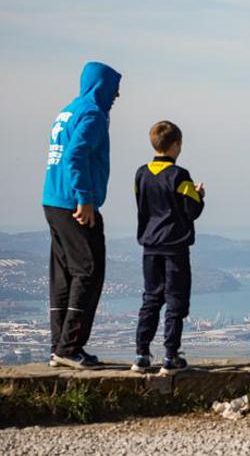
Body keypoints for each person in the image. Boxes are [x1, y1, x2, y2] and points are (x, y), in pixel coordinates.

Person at [43, 61, 121, 369]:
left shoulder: (68, 111)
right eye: (114, 88)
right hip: (74, 203)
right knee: (89, 270)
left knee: (63, 274)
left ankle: (59, 346)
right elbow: (75, 155)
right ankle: (70, 347)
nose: (117, 95)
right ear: (101, 86)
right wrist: (85, 198)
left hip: (53, 199)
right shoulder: (93, 114)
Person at [131, 121, 205, 374]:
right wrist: (199, 195)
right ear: (176, 145)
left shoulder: (141, 173)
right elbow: (191, 210)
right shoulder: (179, 175)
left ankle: (141, 354)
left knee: (151, 298)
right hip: (175, 247)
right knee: (176, 300)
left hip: (150, 245)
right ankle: (171, 355)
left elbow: (141, 203)